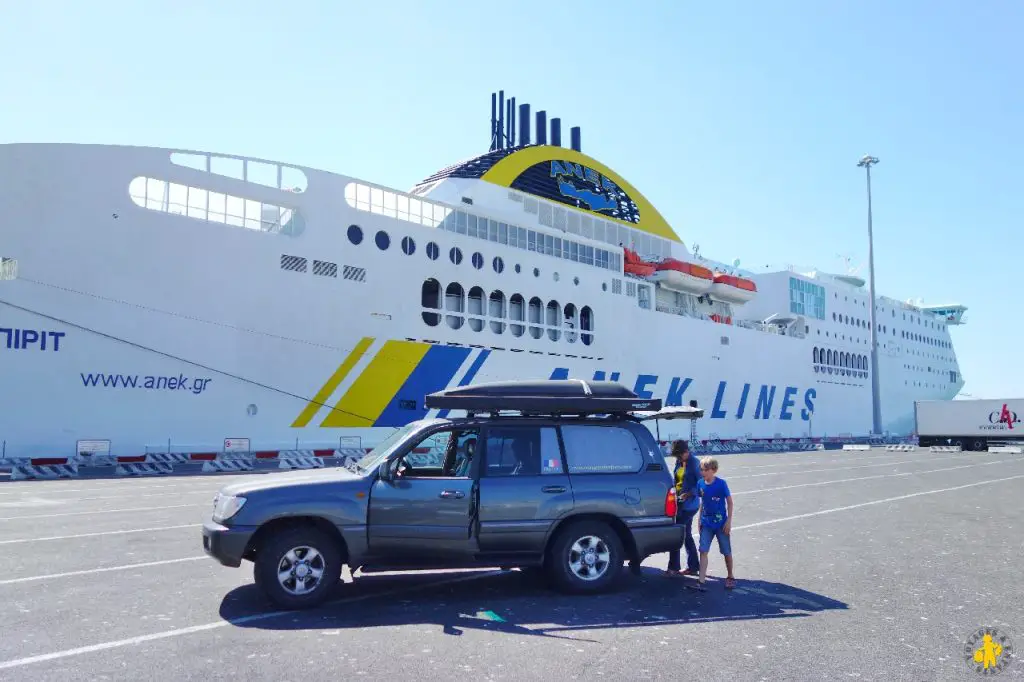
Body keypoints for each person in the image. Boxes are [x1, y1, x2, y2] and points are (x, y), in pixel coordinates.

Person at [696, 456, 735, 590]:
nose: (703, 472)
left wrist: (728, 522)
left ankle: (730, 576)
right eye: (701, 470)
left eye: (706, 470)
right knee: (703, 550)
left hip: (721, 524)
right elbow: (703, 503)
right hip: (706, 523)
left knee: (726, 551)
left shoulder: (721, 484)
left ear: (714, 470)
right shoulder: (700, 483)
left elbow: (730, 503)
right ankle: (701, 581)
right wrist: (699, 519)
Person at [665, 440, 701, 577]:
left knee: (677, 533)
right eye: (677, 457)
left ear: (686, 452)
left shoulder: (695, 464)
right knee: (686, 535)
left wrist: (689, 493)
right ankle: (693, 566)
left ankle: (673, 567)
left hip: (690, 505)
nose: (678, 459)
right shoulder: (679, 462)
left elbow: (701, 484)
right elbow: (677, 480)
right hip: (679, 502)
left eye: (680, 456)